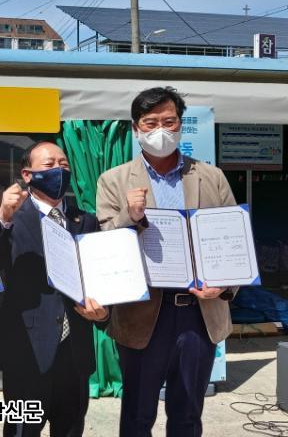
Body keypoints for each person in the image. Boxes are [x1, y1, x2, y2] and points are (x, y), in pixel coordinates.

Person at [96, 86, 236, 437]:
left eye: (169, 121)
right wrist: (130, 215)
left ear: (180, 125)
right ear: (136, 128)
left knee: (188, 415)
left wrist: (224, 286)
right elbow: (106, 245)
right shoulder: (114, 181)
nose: (161, 130)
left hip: (199, 313)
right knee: (137, 417)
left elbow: (233, 241)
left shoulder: (211, 177)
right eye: (151, 122)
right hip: (142, 314)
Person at [0, 141, 108, 437]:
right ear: (27, 175)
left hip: (75, 352)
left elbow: (101, 277)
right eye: (49, 164)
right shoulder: (11, 219)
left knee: (70, 429)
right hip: (26, 350)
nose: (59, 170)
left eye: (64, 164)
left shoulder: (85, 221)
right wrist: (2, 216)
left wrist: (104, 313)